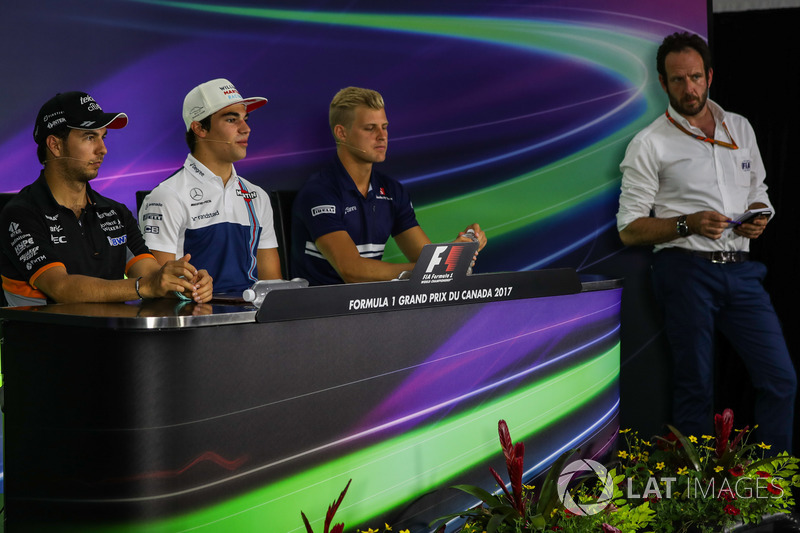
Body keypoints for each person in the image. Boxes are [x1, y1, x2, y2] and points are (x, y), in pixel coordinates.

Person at [616, 32, 796, 451]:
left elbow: (759, 188)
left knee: (781, 380)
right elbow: (629, 228)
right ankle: (700, 504)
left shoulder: (740, 127)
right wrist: (687, 224)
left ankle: (774, 489)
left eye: (696, 77)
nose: (689, 88)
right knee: (695, 386)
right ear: (662, 83)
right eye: (678, 80)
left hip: (743, 270)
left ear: (710, 75)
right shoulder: (649, 143)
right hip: (685, 270)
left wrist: (759, 214)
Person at [0, 91, 213, 306]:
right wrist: (144, 287)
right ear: (55, 145)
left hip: (111, 338)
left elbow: (152, 276)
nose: (102, 149)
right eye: (90, 137)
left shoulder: (115, 212)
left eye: (103, 137)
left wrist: (185, 286)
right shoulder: (21, 213)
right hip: (42, 338)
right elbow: (61, 288)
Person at [291, 86, 487, 285]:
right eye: (370, 128)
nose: (381, 135)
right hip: (321, 311)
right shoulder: (319, 192)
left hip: (371, 307)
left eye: (384, 127)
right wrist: (436, 265)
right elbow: (352, 271)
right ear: (342, 133)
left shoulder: (392, 191)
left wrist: (456, 250)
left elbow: (423, 257)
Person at [139, 78, 281, 294]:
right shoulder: (166, 196)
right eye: (232, 120)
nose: (246, 129)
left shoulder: (256, 195)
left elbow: (273, 287)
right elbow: (156, 289)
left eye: (245, 118)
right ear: (199, 128)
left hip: (253, 321)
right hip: (194, 322)